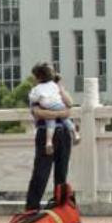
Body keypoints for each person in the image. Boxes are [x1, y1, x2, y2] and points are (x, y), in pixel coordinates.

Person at [24, 63, 76, 211]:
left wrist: (60, 88)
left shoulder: (57, 90)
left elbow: (70, 104)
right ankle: (32, 208)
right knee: (41, 172)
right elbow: (38, 113)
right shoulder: (36, 92)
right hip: (45, 132)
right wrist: (59, 114)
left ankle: (60, 206)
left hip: (64, 133)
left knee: (62, 172)